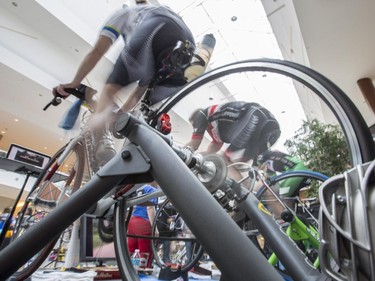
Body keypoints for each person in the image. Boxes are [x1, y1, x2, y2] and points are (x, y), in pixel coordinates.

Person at [53, 1, 195, 161]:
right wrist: (123, 112)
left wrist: (74, 82)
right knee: (134, 113)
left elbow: (98, 51)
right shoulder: (161, 9)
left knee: (106, 98)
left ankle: (102, 147)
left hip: (156, 29)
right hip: (189, 51)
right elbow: (143, 85)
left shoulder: (126, 12)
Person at [185, 101, 281, 180]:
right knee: (235, 166)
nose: (199, 129)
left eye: (195, 126)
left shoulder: (200, 114)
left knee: (224, 160)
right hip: (271, 128)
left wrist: (179, 154)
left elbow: (194, 144)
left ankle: (241, 194)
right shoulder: (217, 130)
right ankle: (251, 196)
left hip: (256, 116)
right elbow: (209, 153)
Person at [127, 182, 158, 268]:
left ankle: (131, 272)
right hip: (144, 222)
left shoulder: (137, 188)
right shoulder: (152, 190)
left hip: (133, 221)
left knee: (132, 252)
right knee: (144, 253)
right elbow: (150, 208)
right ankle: (143, 274)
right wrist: (154, 227)